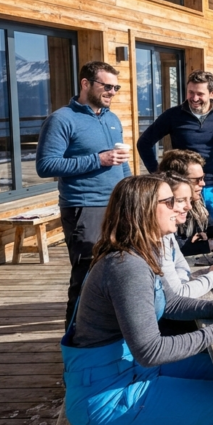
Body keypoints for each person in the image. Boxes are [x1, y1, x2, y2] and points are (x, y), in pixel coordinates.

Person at [62, 175, 213, 425]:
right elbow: (150, 352)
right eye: (170, 201)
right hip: (107, 395)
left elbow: (171, 303)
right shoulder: (127, 267)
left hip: (129, 370)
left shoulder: (139, 252)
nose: (181, 207)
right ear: (144, 209)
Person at [35, 61, 132, 329]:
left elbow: (121, 162)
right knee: (87, 275)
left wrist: (131, 194)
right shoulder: (61, 119)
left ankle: (108, 330)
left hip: (117, 206)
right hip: (84, 207)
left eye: (116, 87)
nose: (112, 92)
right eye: (106, 86)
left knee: (118, 270)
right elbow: (46, 166)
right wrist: (98, 160)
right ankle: (76, 340)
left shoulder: (111, 118)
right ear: (86, 84)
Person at [137, 70, 213, 227]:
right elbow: (144, 143)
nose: (194, 98)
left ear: (212, 93)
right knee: (183, 235)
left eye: (200, 94)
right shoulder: (173, 115)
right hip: (182, 189)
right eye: (190, 92)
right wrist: (157, 173)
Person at [160, 172, 213, 298]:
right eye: (180, 200)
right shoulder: (155, 242)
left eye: (189, 200)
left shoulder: (167, 234)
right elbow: (178, 295)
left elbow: (182, 268)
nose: (189, 206)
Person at [158, 149, 213, 255]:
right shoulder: (164, 207)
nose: (203, 183)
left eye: (203, 178)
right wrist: (211, 244)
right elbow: (175, 248)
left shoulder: (195, 203)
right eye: (197, 180)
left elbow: (210, 225)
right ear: (177, 179)